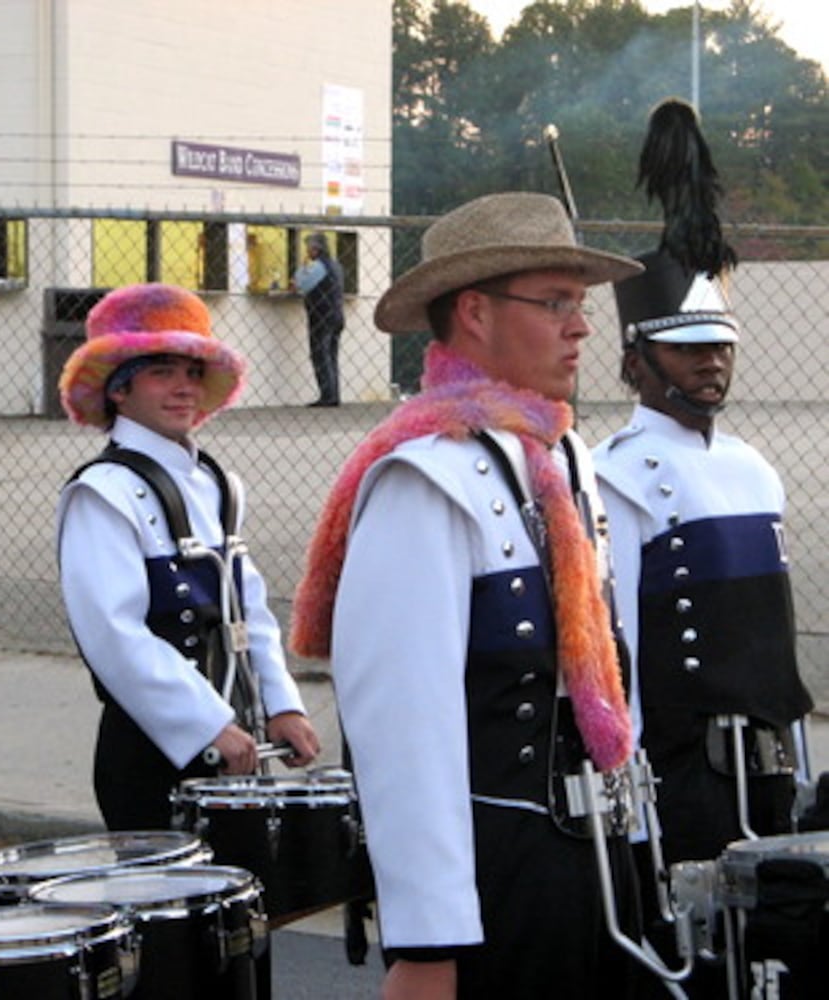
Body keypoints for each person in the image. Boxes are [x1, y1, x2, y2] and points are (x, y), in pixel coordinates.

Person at [290, 192, 647, 999]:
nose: (580, 326)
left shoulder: (562, 460)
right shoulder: (426, 480)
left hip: (592, 857)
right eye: (554, 303)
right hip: (492, 886)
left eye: (579, 304)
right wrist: (427, 940)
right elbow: (400, 731)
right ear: (475, 312)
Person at [593, 101, 813, 998]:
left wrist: (797, 756)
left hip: (762, 760)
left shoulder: (756, 468)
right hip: (679, 769)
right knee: (687, 955)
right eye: (685, 348)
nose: (709, 363)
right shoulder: (619, 472)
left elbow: (773, 626)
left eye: (718, 345)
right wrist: (630, 776)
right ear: (635, 362)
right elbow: (621, 640)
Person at [56, 282, 321, 831]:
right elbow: (113, 636)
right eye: (162, 371)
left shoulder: (216, 482)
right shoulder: (102, 492)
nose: (184, 388)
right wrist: (203, 725)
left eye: (194, 372)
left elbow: (247, 609)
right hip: (154, 754)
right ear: (119, 390)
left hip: (234, 742)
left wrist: (281, 703)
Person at [291, 232, 345, 407]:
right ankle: (333, 394)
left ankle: (327, 396)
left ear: (316, 248)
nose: (308, 251)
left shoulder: (318, 267)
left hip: (321, 315)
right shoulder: (336, 265)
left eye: (309, 248)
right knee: (331, 355)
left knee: (320, 355)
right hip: (337, 314)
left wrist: (301, 269)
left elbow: (301, 284)